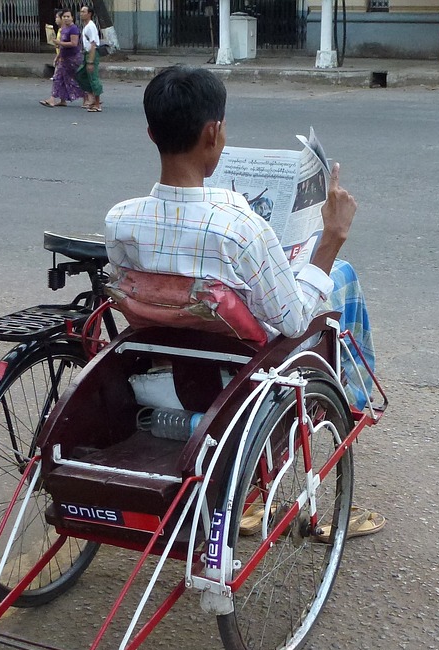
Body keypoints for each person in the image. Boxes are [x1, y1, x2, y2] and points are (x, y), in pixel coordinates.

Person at [104, 66, 384, 537]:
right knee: (341, 278)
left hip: (170, 359)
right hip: (244, 370)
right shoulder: (239, 225)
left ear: (152, 132)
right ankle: (347, 411)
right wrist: (331, 238)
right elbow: (293, 320)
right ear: (214, 133)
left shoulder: (121, 220)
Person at [40, 10, 83, 107]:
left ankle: (89, 97)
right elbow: (62, 46)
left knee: (74, 79)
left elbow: (74, 43)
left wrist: (59, 43)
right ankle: (60, 100)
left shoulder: (73, 29)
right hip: (64, 58)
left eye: (68, 16)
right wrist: (58, 56)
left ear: (72, 17)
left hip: (72, 58)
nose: (66, 18)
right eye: (64, 16)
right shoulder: (64, 29)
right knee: (60, 78)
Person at [76, 4, 102, 112]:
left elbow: (93, 44)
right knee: (80, 75)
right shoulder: (86, 26)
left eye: (84, 12)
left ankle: (97, 104)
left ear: (89, 14)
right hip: (87, 53)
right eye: (81, 12)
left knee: (93, 78)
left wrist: (90, 61)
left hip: (92, 54)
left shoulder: (90, 27)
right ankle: (91, 96)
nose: (81, 14)